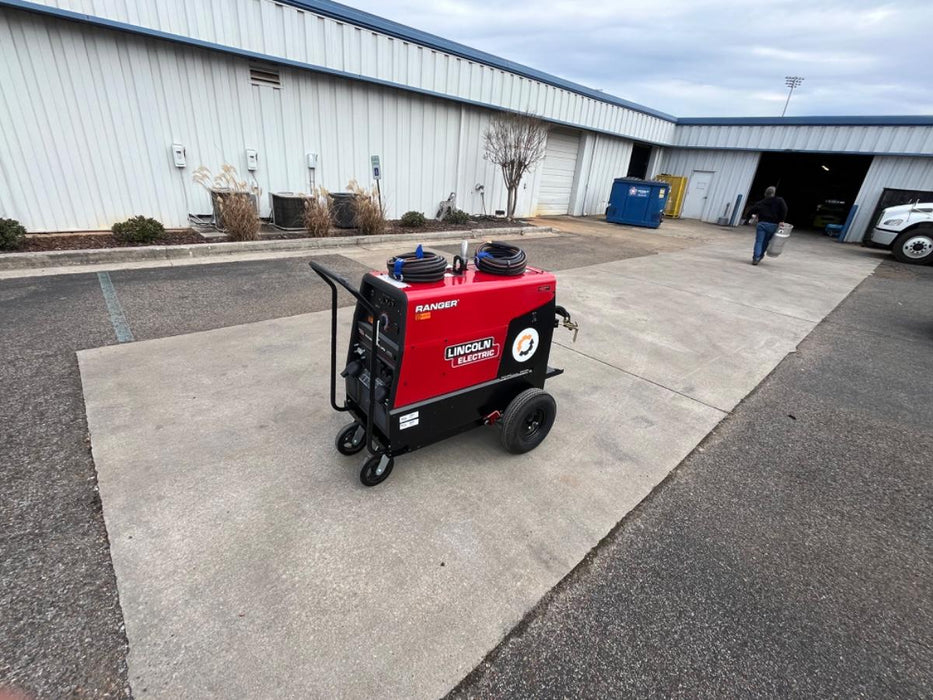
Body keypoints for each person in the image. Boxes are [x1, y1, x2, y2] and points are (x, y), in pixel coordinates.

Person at [746, 186, 788, 265]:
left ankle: (756, 257)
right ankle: (760, 256)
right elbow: (784, 209)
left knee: (759, 241)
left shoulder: (761, 202)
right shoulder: (779, 201)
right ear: (774, 193)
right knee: (766, 242)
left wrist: (748, 218)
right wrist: (781, 220)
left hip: (761, 224)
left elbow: (752, 210)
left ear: (765, 193)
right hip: (773, 225)